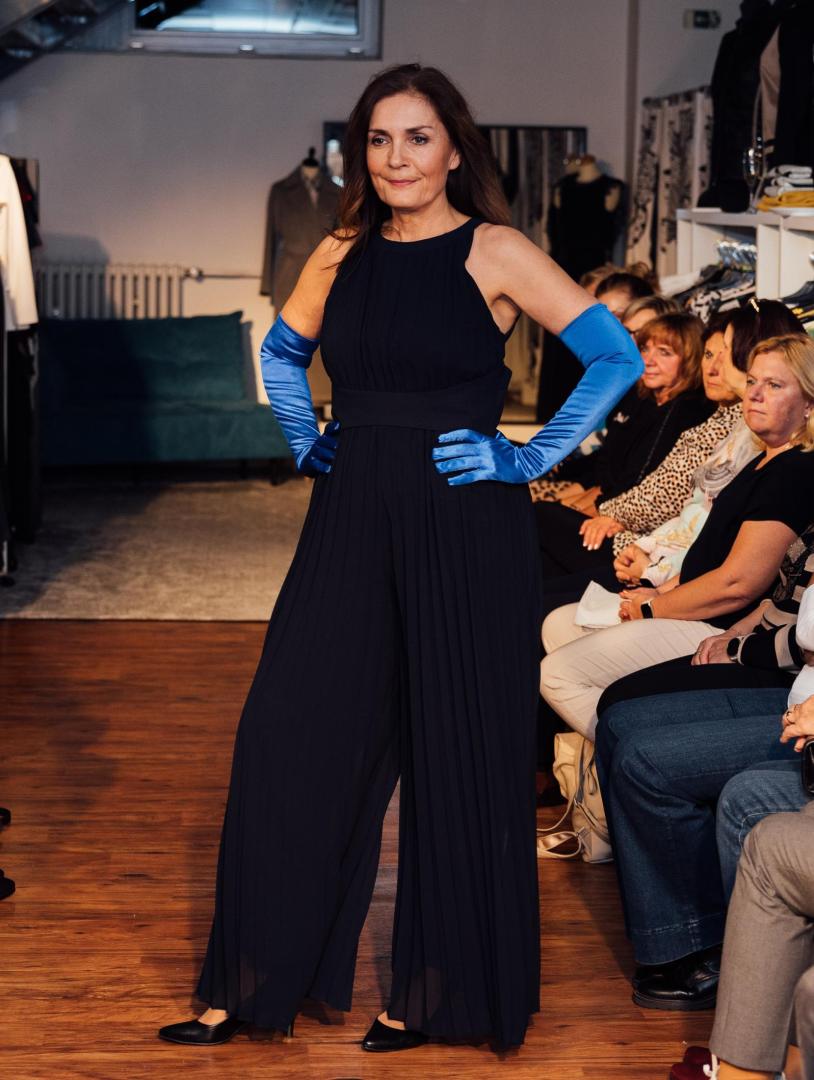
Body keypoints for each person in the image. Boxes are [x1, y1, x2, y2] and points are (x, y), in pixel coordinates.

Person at [156, 63, 643, 1053]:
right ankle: (247, 982)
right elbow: (282, 352)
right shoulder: (342, 249)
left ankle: (433, 996)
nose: (395, 157)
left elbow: (616, 356)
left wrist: (527, 456)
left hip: (463, 524)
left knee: (456, 756)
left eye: (417, 137)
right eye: (378, 139)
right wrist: (304, 435)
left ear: (454, 149)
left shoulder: (496, 249)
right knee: (285, 735)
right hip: (348, 518)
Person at [540, 333, 814, 739]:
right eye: (752, 381)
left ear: (808, 403)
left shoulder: (795, 471)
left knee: (558, 674)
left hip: (716, 624)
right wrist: (657, 591)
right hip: (695, 605)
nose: (754, 394)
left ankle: (625, 763)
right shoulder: (763, 458)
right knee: (558, 624)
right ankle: (608, 754)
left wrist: (654, 608)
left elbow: (738, 585)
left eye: (774, 385)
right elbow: (711, 554)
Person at [593, 588, 814, 1017]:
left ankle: (704, 945)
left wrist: (738, 647)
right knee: (619, 721)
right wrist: (738, 639)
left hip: (798, 706)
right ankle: (674, 935)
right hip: (794, 693)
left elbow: (775, 609)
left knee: (646, 762)